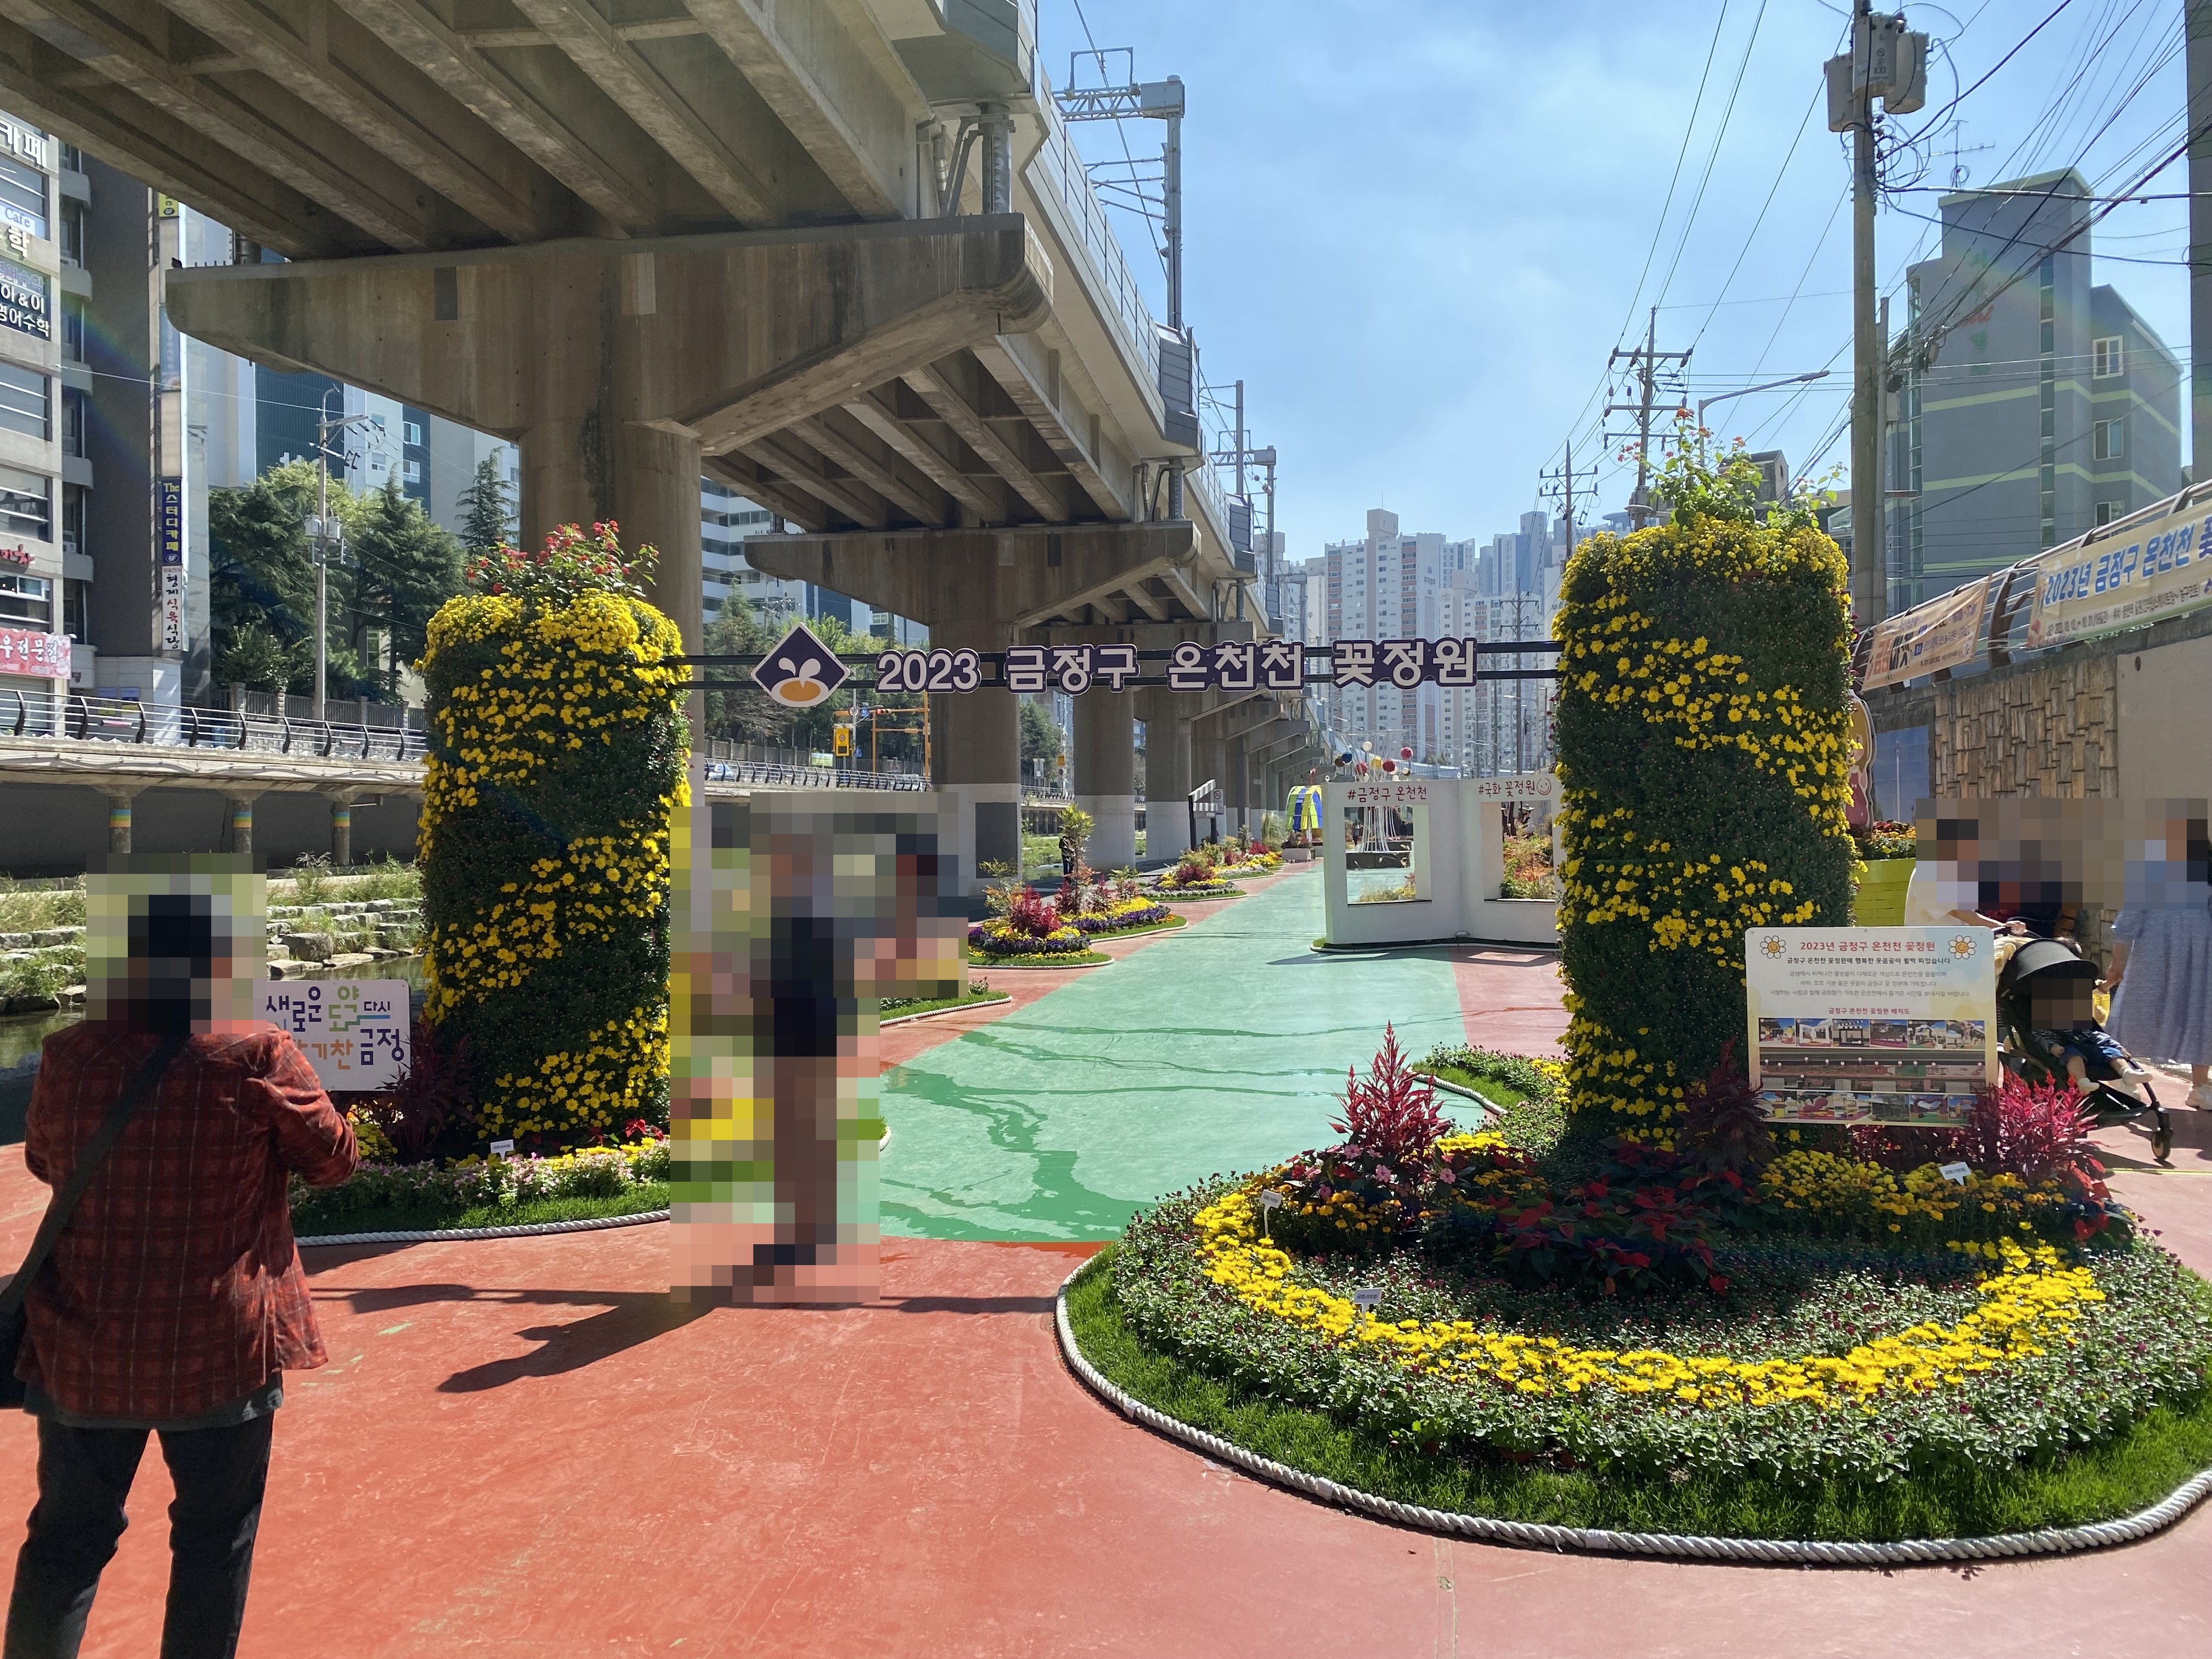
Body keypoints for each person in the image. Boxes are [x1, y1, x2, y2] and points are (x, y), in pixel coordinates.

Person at [4, 893, 357, 1659]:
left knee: (65, 1543)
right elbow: (333, 1162)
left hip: (83, 1345)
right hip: (218, 1345)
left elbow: (42, 1162)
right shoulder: (256, 1050)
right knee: (213, 1541)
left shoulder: (68, 1051)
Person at [2100, 810, 2212, 1111]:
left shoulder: (2207, 871)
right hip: (2157, 953)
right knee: (2141, 1008)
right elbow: (2129, 921)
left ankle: (2200, 1087)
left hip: (2201, 957)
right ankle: (2122, 1077)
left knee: (2199, 1013)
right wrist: (2118, 964)